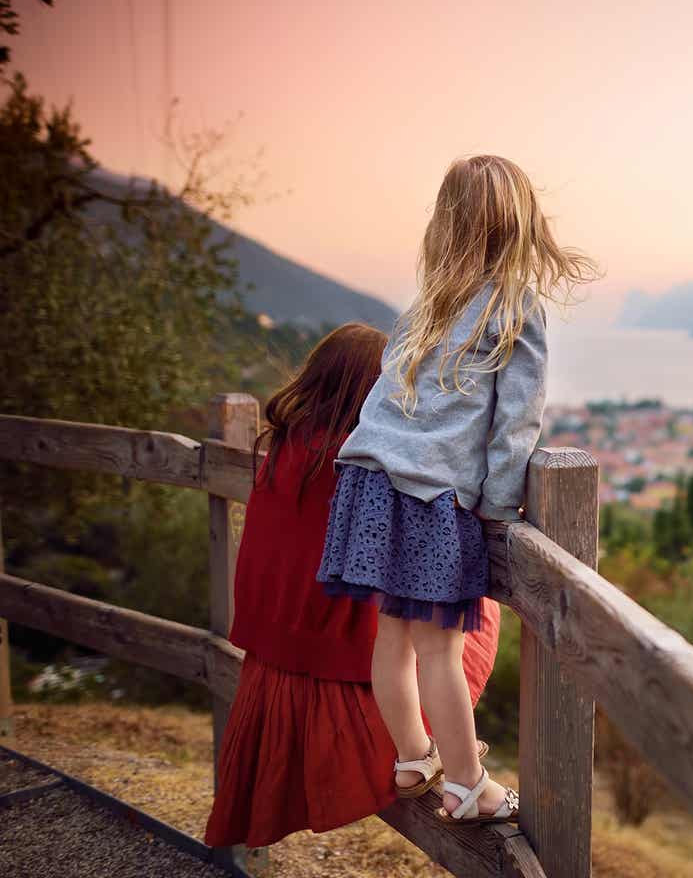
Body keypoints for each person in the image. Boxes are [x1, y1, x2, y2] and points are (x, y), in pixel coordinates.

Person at [317, 155, 598, 825]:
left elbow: (389, 402)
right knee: (440, 648)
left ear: (447, 223)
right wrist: (499, 511)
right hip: (430, 497)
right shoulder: (516, 308)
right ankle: (468, 785)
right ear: (521, 224)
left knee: (392, 637)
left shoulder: (422, 308)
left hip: (368, 482)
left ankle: (415, 755)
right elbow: (516, 424)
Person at [205, 323, 502, 849]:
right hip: (343, 655)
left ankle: (427, 752)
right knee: (463, 617)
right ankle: (446, 754)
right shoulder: (362, 461)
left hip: (280, 641)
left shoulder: (285, 446)